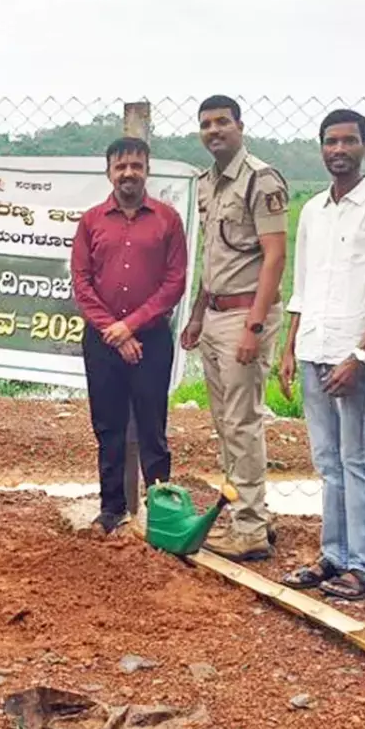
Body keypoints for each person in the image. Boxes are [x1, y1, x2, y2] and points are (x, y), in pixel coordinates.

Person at [278, 109, 365, 598]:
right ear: (321, 148)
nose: (339, 150)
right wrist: (289, 346)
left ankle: (364, 566)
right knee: (327, 460)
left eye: (348, 141)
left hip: (353, 355)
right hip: (313, 347)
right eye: (331, 142)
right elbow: (303, 286)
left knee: (358, 459)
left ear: (364, 147)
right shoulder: (312, 210)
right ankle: (332, 557)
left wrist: (360, 354)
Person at [181, 95, 289, 562]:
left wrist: (255, 325)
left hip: (246, 316)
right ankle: (251, 512)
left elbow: (275, 255)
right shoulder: (208, 185)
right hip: (217, 315)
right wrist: (199, 313)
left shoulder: (260, 180)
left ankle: (248, 530)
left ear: (240, 126)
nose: (214, 130)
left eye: (222, 122)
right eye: (206, 124)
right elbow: (213, 257)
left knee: (243, 423)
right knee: (225, 423)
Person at [70, 137, 188, 533]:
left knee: (153, 426)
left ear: (147, 170)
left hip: (150, 341)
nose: (128, 173)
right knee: (109, 426)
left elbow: (174, 283)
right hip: (103, 342)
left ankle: (160, 512)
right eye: (120, 167)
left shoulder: (168, 220)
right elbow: (82, 283)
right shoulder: (91, 221)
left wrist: (132, 326)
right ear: (108, 172)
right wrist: (115, 332)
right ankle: (111, 509)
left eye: (136, 165)